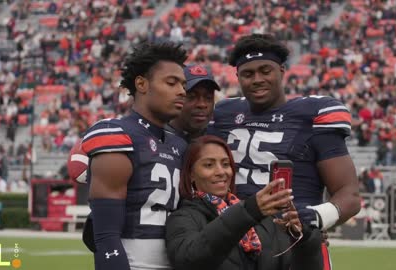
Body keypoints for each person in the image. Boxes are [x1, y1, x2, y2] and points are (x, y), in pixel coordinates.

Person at [208, 33, 360, 267]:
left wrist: (316, 218)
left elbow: (349, 194)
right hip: (235, 242)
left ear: (281, 71)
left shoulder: (313, 114)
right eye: (248, 74)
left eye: (265, 70)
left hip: (293, 243)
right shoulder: (223, 114)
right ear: (237, 77)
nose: (257, 79)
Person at [80, 42, 188, 270]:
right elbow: (106, 236)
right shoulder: (117, 134)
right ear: (141, 83)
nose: (181, 91)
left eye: (183, 84)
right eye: (171, 82)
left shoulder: (179, 143)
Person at [166, 135, 323, 270]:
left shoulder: (265, 219)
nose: (221, 172)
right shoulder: (183, 218)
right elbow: (189, 261)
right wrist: (248, 212)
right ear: (191, 175)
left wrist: (305, 239)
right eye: (209, 165)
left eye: (226, 164)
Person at [166, 64, 220, 142]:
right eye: (192, 97)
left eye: (208, 98)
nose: (202, 104)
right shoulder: (155, 138)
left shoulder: (220, 137)